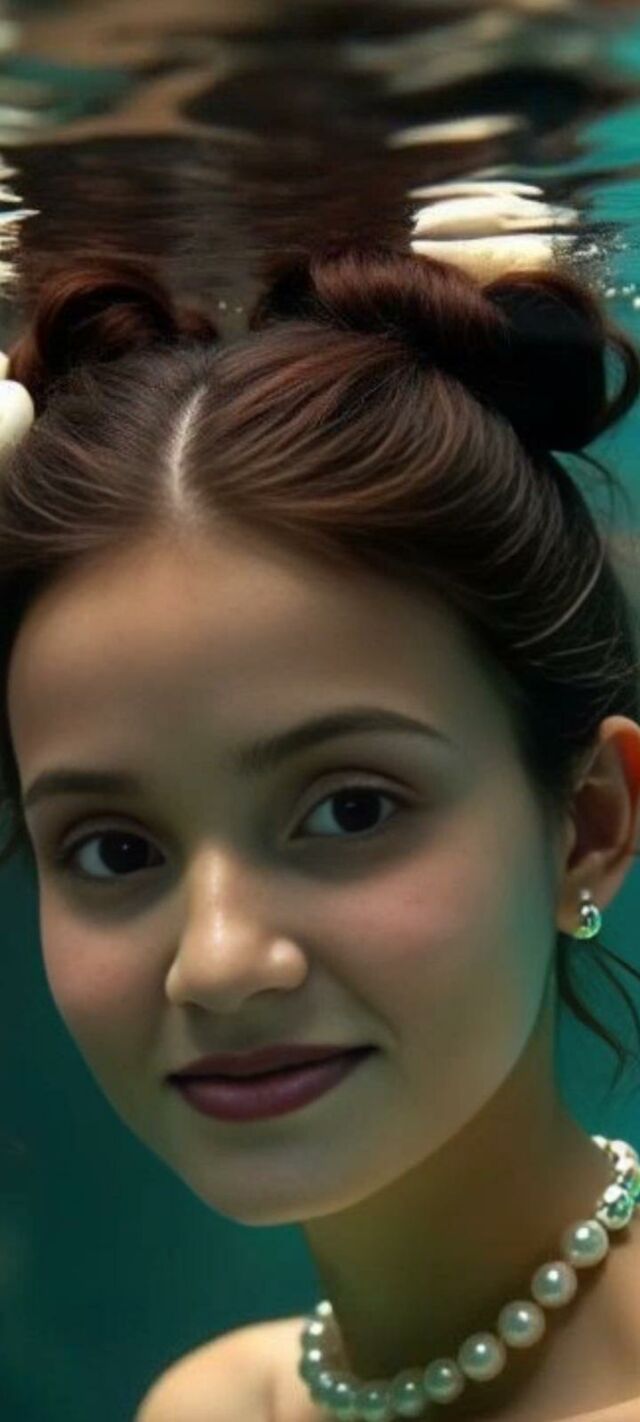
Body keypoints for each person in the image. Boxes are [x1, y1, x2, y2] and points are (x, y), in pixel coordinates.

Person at [2, 202, 640, 1420]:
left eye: (350, 810)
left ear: (589, 826)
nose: (219, 962)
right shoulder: (206, 1405)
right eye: (114, 849)